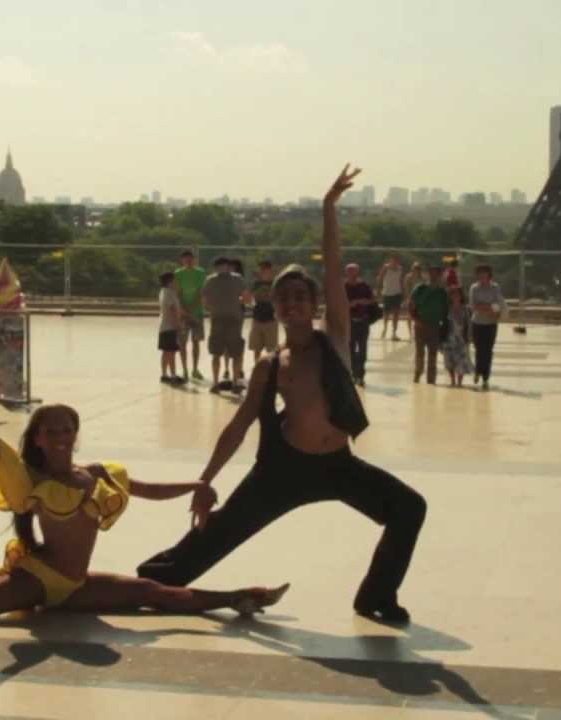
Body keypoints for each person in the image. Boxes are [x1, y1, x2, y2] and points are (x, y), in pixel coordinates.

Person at [137, 166, 427, 625]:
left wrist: (328, 208)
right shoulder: (271, 365)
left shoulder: (334, 338)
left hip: (338, 465)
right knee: (216, 536)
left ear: (313, 304)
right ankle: (152, 580)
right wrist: (204, 482)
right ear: (274, 306)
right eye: (284, 297)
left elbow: (333, 266)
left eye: (300, 296)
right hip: (283, 471)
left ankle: (375, 596)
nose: (293, 303)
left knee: (409, 508)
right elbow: (239, 425)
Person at [0, 375, 289, 627]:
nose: (61, 436)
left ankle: (239, 597)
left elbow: (148, 490)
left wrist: (196, 486)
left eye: (67, 429)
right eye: (52, 431)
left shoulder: (97, 474)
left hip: (77, 585)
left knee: (152, 593)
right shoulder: (33, 480)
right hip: (38, 580)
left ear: (75, 434)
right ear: (38, 438)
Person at [203, 257, 245, 393]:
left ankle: (231, 382)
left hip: (227, 320)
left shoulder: (235, 279)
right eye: (220, 266)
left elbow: (204, 300)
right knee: (220, 353)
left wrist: (213, 308)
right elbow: (204, 299)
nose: (222, 268)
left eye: (223, 266)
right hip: (225, 320)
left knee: (232, 353)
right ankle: (222, 383)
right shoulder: (212, 280)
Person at [410, 265, 449, 385]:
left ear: (439, 275)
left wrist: (444, 328)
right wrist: (415, 320)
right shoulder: (420, 288)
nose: (433, 276)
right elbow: (411, 305)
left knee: (433, 355)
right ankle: (418, 374)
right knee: (420, 353)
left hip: (435, 326)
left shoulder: (442, 292)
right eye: (431, 273)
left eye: (436, 273)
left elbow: (445, 311)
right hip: (420, 325)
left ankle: (431, 380)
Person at [468, 265, 504, 390]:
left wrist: (484, 307)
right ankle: (478, 371)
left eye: (484, 274)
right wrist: (488, 307)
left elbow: (498, 304)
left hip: (491, 323)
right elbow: (473, 306)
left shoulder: (495, 287)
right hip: (477, 323)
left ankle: (485, 377)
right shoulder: (474, 288)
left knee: (488, 350)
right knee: (479, 349)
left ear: (489, 275)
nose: (482, 276)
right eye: (480, 274)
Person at [174, 251, 208, 381]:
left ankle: (195, 369)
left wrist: (192, 308)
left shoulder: (201, 273)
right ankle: (185, 370)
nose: (188, 261)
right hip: (182, 313)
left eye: (191, 259)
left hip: (197, 312)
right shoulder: (178, 273)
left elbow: (201, 292)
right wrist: (184, 309)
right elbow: (178, 293)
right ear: (182, 260)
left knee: (196, 342)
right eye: (186, 259)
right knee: (182, 343)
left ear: (194, 259)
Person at [345, 263, 375, 386]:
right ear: (346, 273)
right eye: (349, 271)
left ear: (358, 272)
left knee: (362, 349)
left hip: (363, 321)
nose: (352, 273)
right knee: (351, 349)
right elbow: (338, 303)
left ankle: (360, 375)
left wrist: (364, 301)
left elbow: (373, 300)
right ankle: (354, 374)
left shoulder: (365, 286)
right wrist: (349, 304)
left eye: (354, 271)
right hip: (349, 322)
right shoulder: (343, 287)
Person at [248, 260, 280, 365]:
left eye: (265, 269)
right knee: (256, 348)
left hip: (271, 319)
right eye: (261, 269)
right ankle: (257, 367)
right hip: (257, 318)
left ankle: (271, 369)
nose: (263, 271)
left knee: (271, 349)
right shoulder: (256, 284)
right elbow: (250, 298)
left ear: (270, 270)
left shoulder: (276, 284)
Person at [443, 287, 474, 387]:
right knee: (450, 361)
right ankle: (452, 381)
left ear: (461, 296)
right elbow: (443, 323)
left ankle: (459, 382)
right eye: (453, 294)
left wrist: (469, 337)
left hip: (462, 339)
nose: (455, 297)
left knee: (462, 361)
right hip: (449, 338)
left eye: (457, 294)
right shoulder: (447, 308)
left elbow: (469, 324)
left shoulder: (466, 309)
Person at [157, 272, 185, 384]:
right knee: (171, 352)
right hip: (170, 327)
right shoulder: (169, 293)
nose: (176, 282)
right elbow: (173, 310)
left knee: (166, 352)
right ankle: (173, 375)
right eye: (175, 280)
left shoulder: (164, 291)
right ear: (170, 281)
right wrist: (178, 325)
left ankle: (164, 374)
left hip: (164, 326)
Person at [376, 256, 405, 340]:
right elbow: (379, 279)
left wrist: (404, 293)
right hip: (387, 293)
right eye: (394, 261)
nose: (395, 263)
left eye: (397, 261)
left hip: (397, 293)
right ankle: (385, 328)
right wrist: (378, 292)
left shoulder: (400, 269)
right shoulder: (386, 268)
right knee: (386, 314)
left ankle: (394, 333)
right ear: (391, 261)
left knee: (396, 314)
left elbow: (401, 281)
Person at [402, 262, 424, 340]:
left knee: (418, 316)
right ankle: (410, 333)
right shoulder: (408, 277)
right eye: (415, 268)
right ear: (412, 269)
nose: (417, 270)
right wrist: (408, 298)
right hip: (410, 298)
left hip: (419, 299)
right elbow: (406, 288)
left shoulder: (422, 278)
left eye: (418, 268)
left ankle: (417, 332)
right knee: (409, 316)